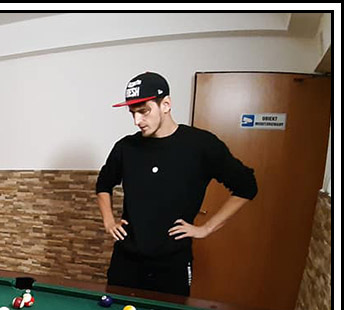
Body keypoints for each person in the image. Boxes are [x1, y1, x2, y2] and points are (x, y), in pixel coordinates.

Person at [95, 72, 258, 296]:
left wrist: (206, 228)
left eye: (144, 111)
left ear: (166, 104)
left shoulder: (201, 145)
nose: (137, 121)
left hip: (172, 265)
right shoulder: (125, 147)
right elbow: (103, 184)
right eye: (132, 113)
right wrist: (108, 221)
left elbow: (247, 186)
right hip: (126, 261)